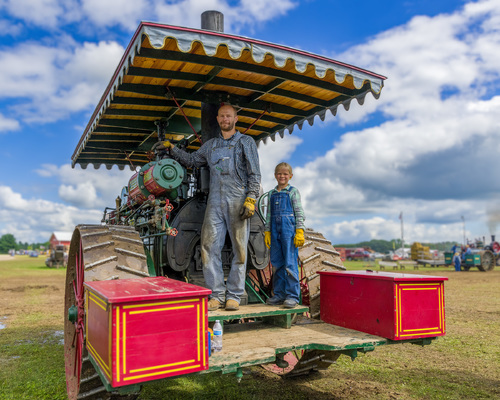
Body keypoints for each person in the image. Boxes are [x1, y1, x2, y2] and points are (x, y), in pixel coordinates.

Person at [157, 104, 261, 312]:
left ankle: (234, 295)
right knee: (208, 247)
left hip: (238, 198)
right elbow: (192, 160)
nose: (225, 119)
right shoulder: (210, 145)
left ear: (235, 118)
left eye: (228, 116)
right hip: (214, 200)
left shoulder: (246, 142)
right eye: (222, 116)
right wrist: (172, 148)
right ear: (217, 119)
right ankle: (216, 295)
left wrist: (251, 198)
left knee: (240, 249)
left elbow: (255, 174)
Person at [264, 162, 305, 309]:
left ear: (290, 176)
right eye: (279, 173)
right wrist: (267, 231)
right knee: (277, 263)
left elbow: (299, 212)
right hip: (275, 229)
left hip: (289, 229)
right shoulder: (271, 194)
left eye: (285, 174)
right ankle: (279, 294)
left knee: (290, 263)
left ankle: (292, 296)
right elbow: (268, 215)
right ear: (275, 175)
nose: (282, 176)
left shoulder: (293, 192)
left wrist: (300, 231)